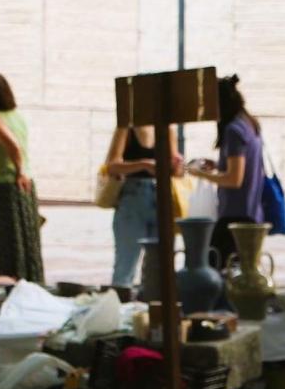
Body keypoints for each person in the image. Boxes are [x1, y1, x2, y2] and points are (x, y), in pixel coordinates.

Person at [187, 75, 266, 270]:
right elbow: (240, 167)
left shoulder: (233, 130)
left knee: (216, 268)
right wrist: (217, 165)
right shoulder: (248, 123)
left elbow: (234, 179)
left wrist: (200, 174)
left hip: (236, 213)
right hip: (250, 211)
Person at [0, 72, 44, 283]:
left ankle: (15, 283)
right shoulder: (17, 116)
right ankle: (31, 279)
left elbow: (13, 145)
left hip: (9, 184)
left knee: (9, 242)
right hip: (26, 184)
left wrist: (19, 171)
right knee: (27, 239)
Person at [106, 125, 179, 289]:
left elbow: (175, 168)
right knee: (126, 261)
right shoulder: (126, 128)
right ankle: (120, 304)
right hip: (133, 197)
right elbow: (112, 166)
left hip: (162, 196)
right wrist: (144, 165)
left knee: (160, 266)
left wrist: (177, 166)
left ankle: (153, 309)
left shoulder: (167, 129)